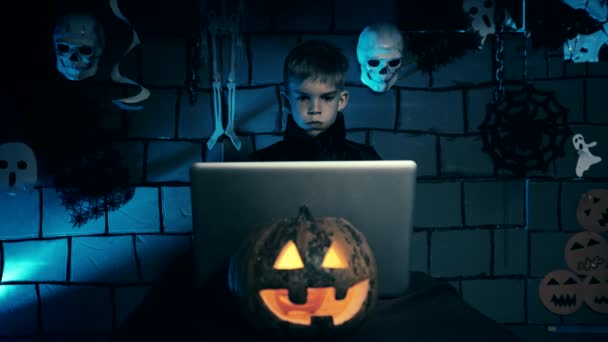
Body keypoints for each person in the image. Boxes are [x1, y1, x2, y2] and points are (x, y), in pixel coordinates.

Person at [248, 40, 381, 161]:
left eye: (327, 98)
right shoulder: (260, 162)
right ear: (287, 102)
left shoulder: (366, 159)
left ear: (341, 100)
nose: (315, 110)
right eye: (303, 98)